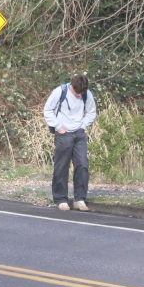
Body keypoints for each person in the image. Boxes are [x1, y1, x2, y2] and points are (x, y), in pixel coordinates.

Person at [43, 75, 97, 211]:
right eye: (77, 92)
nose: (79, 95)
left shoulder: (87, 94)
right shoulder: (60, 92)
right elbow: (48, 110)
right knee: (62, 166)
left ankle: (80, 199)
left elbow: (91, 112)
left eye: (82, 93)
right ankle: (61, 199)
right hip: (63, 133)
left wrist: (83, 126)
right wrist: (58, 126)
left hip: (79, 133)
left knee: (82, 165)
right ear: (72, 87)